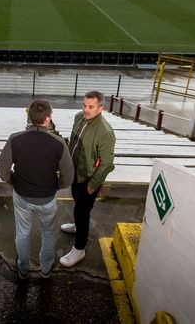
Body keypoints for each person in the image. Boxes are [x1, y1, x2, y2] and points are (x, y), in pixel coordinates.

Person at [0, 99, 74, 280]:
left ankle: (23, 269)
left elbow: (2, 170)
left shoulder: (15, 139)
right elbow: (68, 176)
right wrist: (56, 185)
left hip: (22, 196)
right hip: (47, 198)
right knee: (48, 233)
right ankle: (46, 269)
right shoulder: (59, 143)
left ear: (30, 118)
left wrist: (13, 181)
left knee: (23, 233)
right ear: (48, 119)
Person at [59, 90, 115, 267]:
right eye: (84, 105)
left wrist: (92, 186)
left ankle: (79, 248)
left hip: (88, 180)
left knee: (83, 213)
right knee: (77, 204)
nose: (86, 109)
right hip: (76, 173)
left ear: (100, 108)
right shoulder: (79, 117)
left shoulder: (105, 132)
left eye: (91, 107)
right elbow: (73, 143)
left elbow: (106, 164)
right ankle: (76, 226)